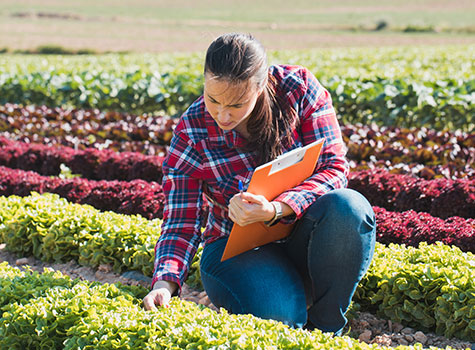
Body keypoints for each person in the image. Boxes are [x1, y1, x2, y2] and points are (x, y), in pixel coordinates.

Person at [143, 32, 376, 336]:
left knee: (349, 208)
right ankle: (287, 299)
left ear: (261, 85)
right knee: (280, 317)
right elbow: (181, 220)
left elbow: (334, 168)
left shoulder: (299, 90)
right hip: (234, 250)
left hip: (304, 236)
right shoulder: (192, 130)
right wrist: (165, 282)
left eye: (237, 104)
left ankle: (326, 327)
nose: (223, 114)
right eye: (213, 99)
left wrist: (278, 208)